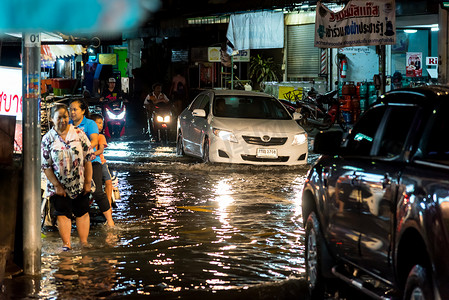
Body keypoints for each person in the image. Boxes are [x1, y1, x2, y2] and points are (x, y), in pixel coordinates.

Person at [41, 103, 94, 250]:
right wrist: (57, 186)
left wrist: (88, 182)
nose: (63, 120)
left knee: (82, 212)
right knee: (63, 214)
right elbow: (46, 166)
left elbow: (88, 158)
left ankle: (84, 243)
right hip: (59, 187)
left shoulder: (79, 134)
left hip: (80, 182)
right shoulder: (48, 139)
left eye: (65, 117)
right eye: (59, 118)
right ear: (52, 119)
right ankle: (67, 245)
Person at [69, 99, 115, 227]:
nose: (72, 112)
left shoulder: (90, 124)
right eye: (70, 109)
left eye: (75, 109)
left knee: (97, 192)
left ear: (83, 111)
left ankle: (110, 222)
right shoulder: (68, 124)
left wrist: (82, 151)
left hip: (92, 161)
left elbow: (94, 141)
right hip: (72, 163)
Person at [89, 113, 115, 209]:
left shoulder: (101, 137)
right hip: (89, 162)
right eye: (98, 123)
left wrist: (89, 154)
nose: (101, 125)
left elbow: (100, 150)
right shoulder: (87, 136)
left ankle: (108, 203)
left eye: (102, 123)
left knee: (108, 181)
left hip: (101, 162)